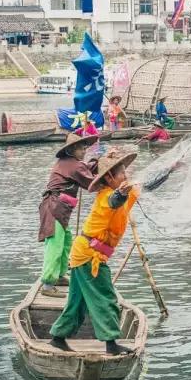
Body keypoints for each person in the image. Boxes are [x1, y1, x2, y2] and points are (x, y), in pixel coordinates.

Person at [49, 148, 138, 355]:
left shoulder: (120, 196)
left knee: (78, 301)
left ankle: (58, 337)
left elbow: (142, 188)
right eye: (122, 174)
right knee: (105, 296)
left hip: (83, 253)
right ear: (109, 177)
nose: (126, 177)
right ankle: (111, 343)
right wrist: (121, 193)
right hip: (90, 255)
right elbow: (115, 200)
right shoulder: (108, 197)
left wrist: (169, 170)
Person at [37, 132, 100, 297]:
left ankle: (58, 275)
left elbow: (85, 171)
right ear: (72, 150)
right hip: (54, 207)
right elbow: (91, 182)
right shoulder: (74, 165)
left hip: (58, 209)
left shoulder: (69, 163)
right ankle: (48, 284)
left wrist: (99, 163)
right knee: (55, 245)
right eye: (81, 148)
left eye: (85, 147)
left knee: (65, 242)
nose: (85, 150)